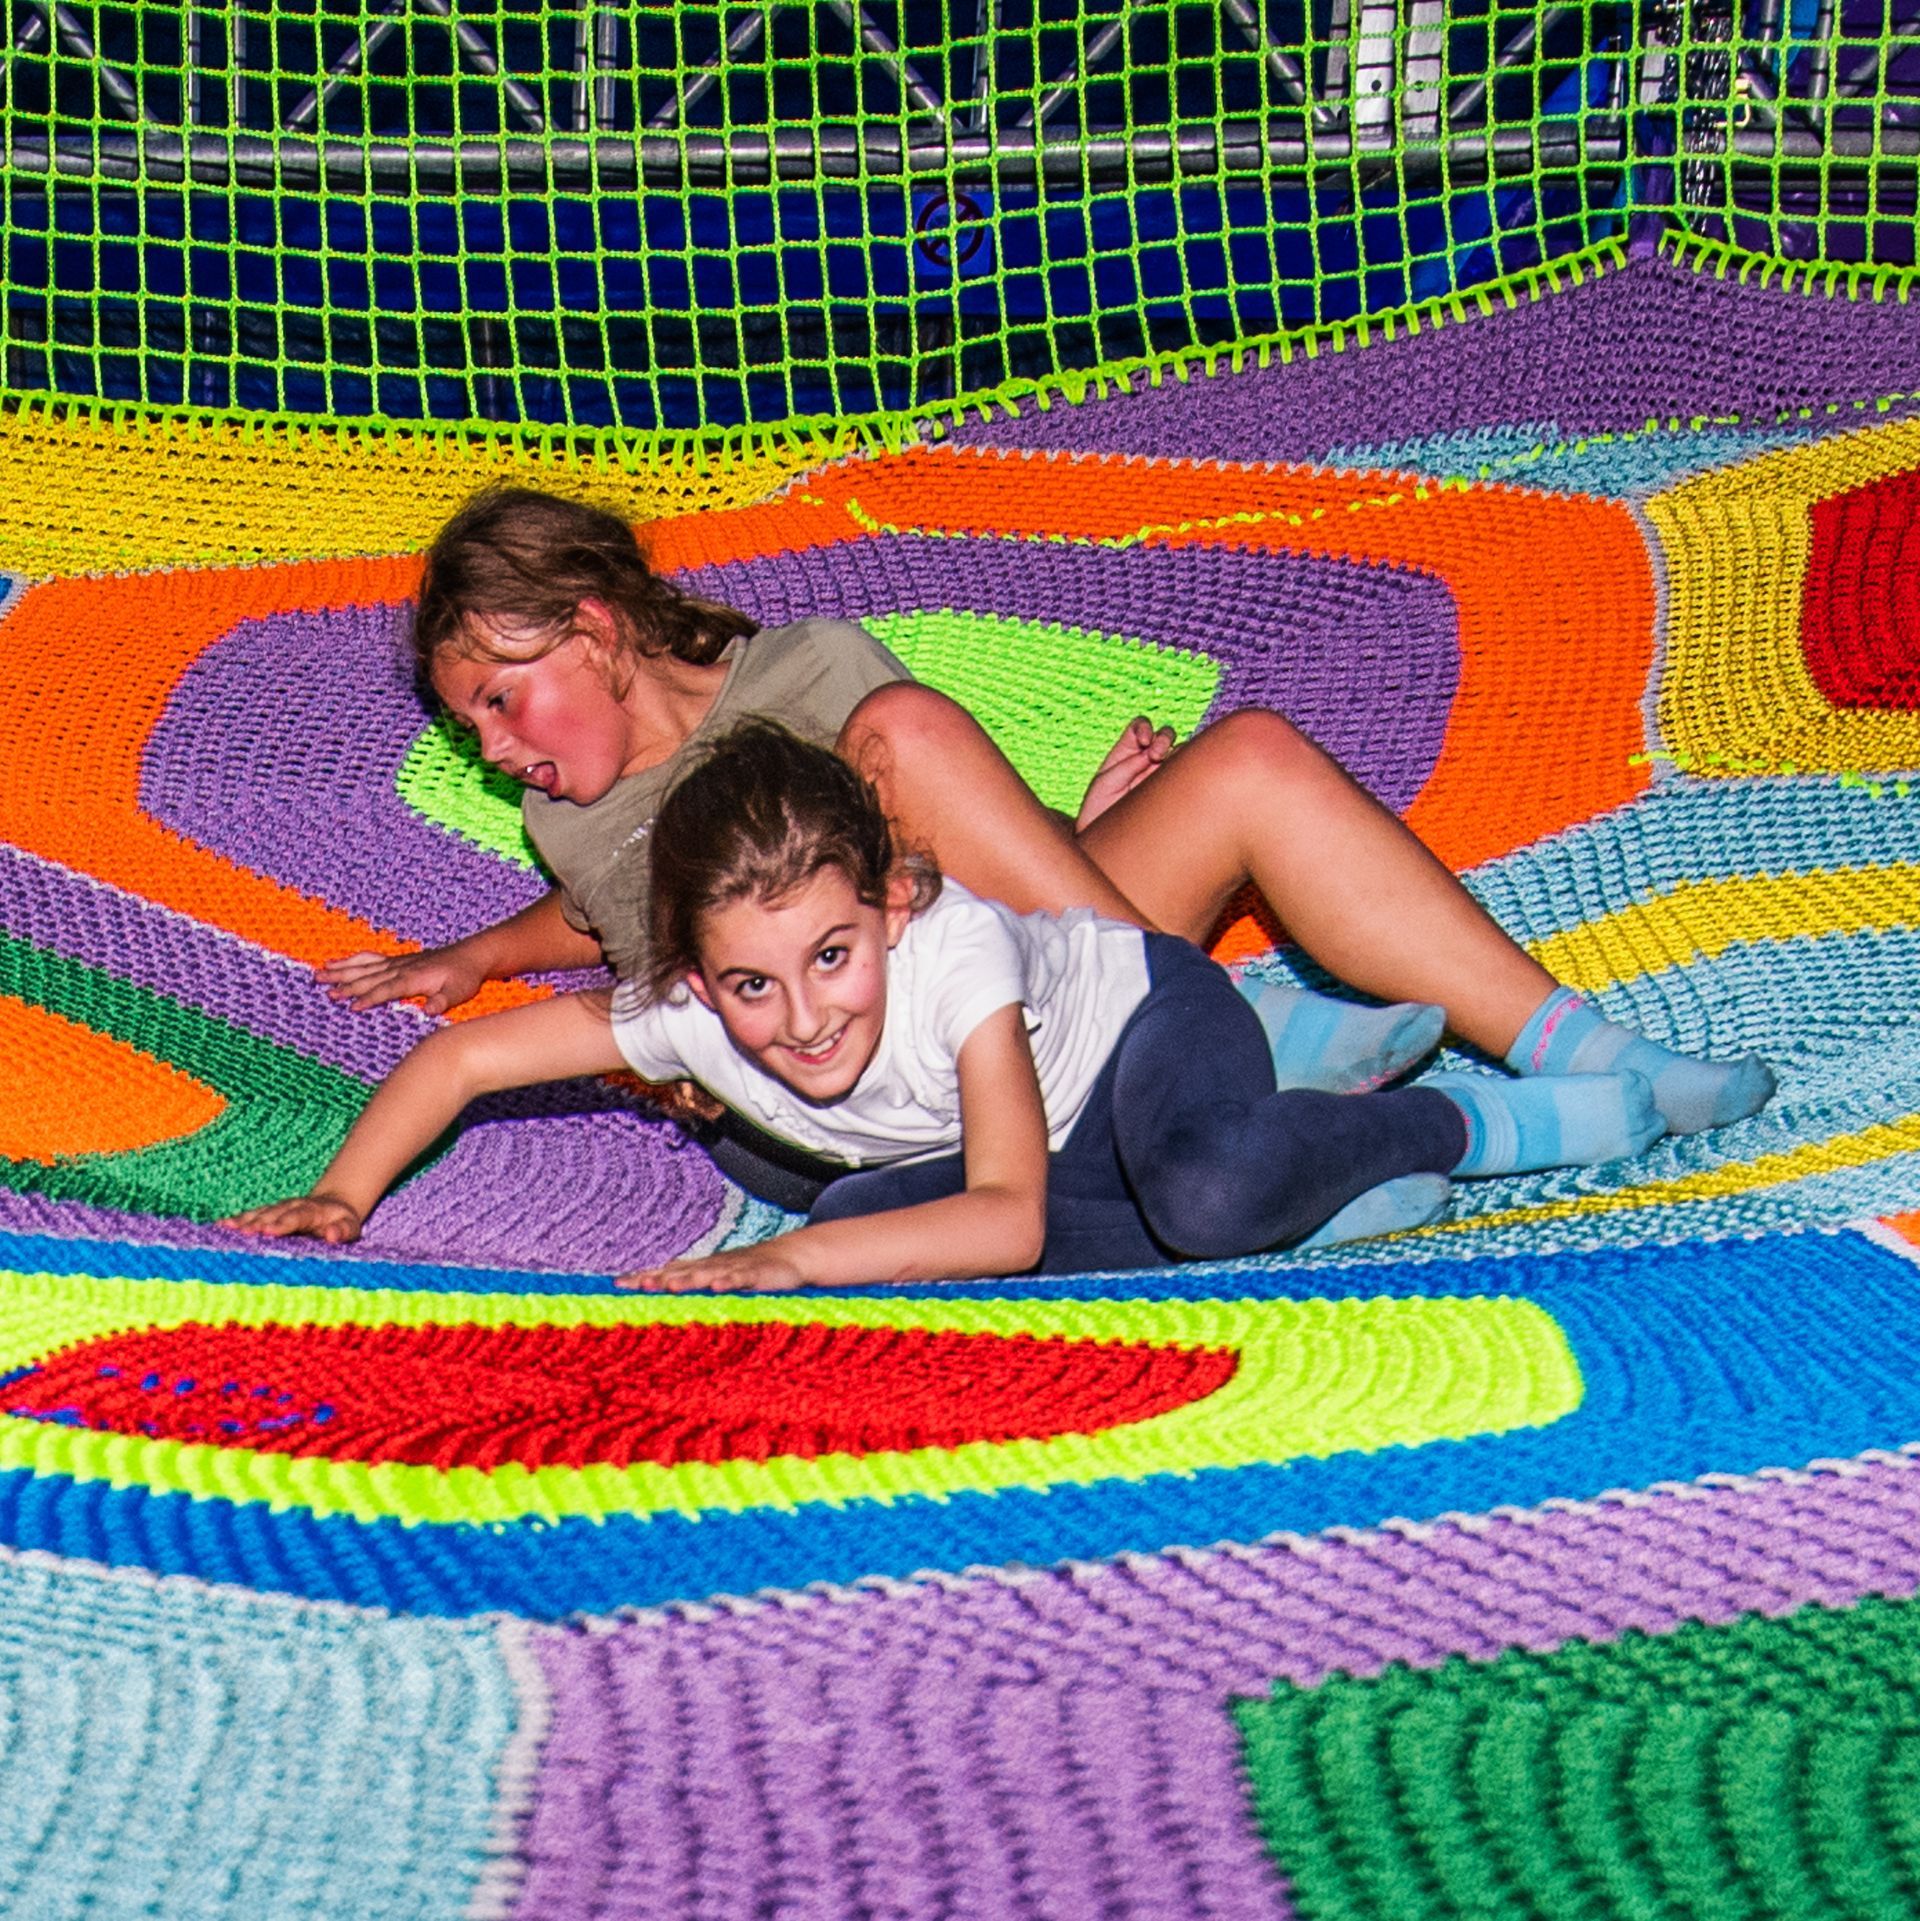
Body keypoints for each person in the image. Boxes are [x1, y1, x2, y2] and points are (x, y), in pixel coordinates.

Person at [321, 488, 1773, 1196]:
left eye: (500, 700)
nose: (495, 747)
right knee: (903, 741)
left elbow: (955, 868)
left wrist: (1073, 826)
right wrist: (476, 954)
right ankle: (1221, 1039)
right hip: (863, 1082)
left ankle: (1597, 1053)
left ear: (592, 629)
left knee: (1247, 757)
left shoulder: (812, 672)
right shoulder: (570, 816)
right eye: (469, 727)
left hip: (1021, 983)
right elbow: (610, 920)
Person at [229, 724, 1671, 1290]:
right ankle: (1314, 1199)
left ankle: (1450, 1123)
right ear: (694, 981)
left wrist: (781, 1268)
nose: (804, 1018)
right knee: (863, 1221)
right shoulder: (693, 1014)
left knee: (1203, 1187)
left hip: (1138, 1036)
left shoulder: (958, 954)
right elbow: (466, 1061)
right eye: (751, 985)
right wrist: (343, 1196)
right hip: (1033, 1151)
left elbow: (1008, 1217)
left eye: (833, 956)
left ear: (893, 906)